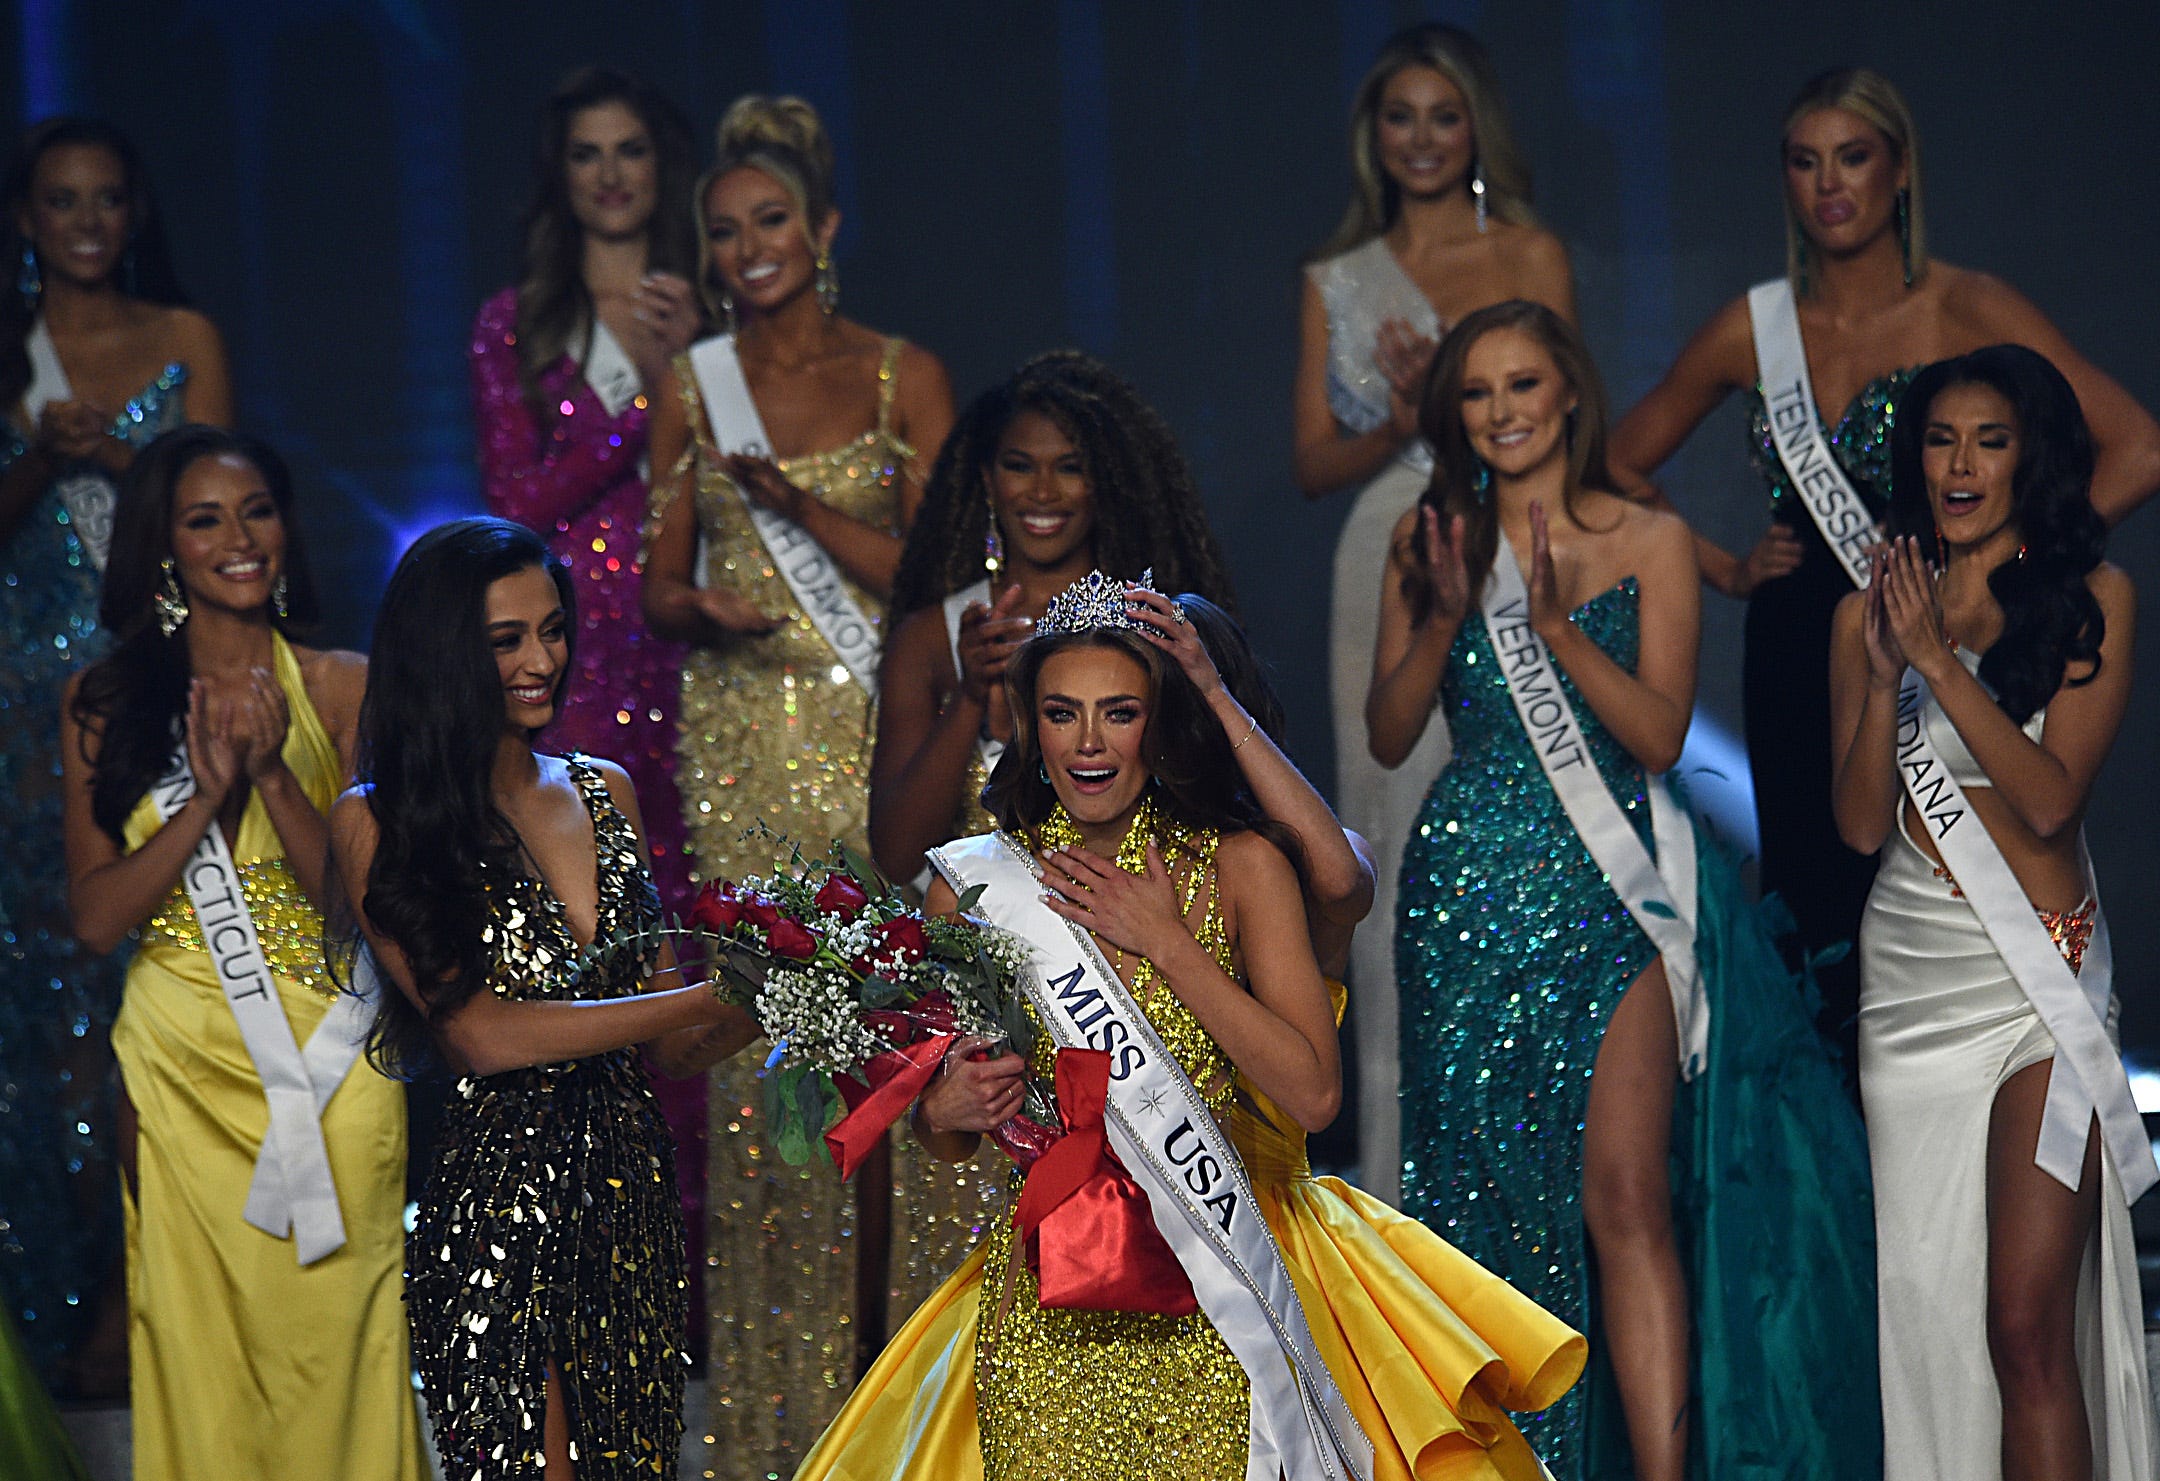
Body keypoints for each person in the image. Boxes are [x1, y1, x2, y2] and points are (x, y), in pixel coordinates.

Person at [794, 568, 1586, 1480]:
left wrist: (1171, 945)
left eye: (1119, 713)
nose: (1089, 743)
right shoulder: (973, 883)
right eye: (1061, 713)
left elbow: (1317, 1092)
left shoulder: (1242, 865)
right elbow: (948, 1130)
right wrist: (946, 1110)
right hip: (1055, 1311)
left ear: (1159, 722)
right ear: (1029, 721)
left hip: (1236, 1282)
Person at [1373, 301, 1878, 1478]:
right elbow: (1391, 732)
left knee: (1626, 1194)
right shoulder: (1432, 534)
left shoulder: (1650, 536)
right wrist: (1449, 612)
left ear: (1567, 396)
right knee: (1480, 1195)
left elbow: (1656, 736)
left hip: (1613, 894)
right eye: (1479, 391)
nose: (1501, 411)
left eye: (1523, 385)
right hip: (1465, 896)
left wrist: (1557, 629)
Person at [1609, 68, 2160, 1067]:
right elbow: (1610, 463)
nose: (1829, 184)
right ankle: (1835, 1200)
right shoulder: (1754, 324)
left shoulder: (1968, 305)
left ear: (1899, 171)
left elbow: (2139, 447)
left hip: (1943, 635)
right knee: (1818, 915)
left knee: (1931, 893)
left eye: (1853, 157)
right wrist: (1726, 568)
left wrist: (2018, 562)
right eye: (1804, 160)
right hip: (1798, 648)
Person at [640, 93, 954, 1468]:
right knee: (777, 1052)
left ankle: (923, 1388)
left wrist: (800, 510)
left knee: (912, 1039)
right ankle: (793, 1416)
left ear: (821, 229)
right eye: (724, 233)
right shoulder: (688, 387)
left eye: (771, 222)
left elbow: (944, 570)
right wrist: (697, 612)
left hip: (882, 732)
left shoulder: (902, 375)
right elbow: (656, 584)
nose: (749, 248)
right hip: (743, 738)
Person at [329, 516, 752, 1478]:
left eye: (553, 629)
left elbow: (675, 1046)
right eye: (506, 638)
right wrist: (688, 1003)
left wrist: (785, 993)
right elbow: (478, 1033)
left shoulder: (607, 790)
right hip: (497, 1213)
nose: (541, 660)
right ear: (443, 653)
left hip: (631, 1204)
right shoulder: (377, 819)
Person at [59, 426, 421, 1476]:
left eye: (256, 509)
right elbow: (92, 917)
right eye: (205, 517)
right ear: (164, 545)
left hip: (335, 1049)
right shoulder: (106, 702)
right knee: (201, 1340)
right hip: (180, 1063)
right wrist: (207, 796)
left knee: (347, 1325)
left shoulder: (346, 685)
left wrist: (269, 778)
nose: (238, 536)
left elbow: (363, 912)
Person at [1829, 346, 2156, 1480]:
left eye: (1991, 439)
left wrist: (1938, 660)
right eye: (1940, 438)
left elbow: (2053, 800)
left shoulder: (2088, 598)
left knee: (2025, 1325)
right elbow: (1864, 824)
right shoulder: (1862, 614)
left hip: (2039, 990)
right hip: (1912, 993)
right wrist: (1883, 674)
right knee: (1938, 1318)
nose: (1961, 463)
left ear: (2033, 459)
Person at [1292, 24, 1574, 1199]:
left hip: (1518, 532)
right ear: (1376, 136)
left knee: (1525, 822)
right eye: (1398, 117)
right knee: (1394, 845)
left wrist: (1458, 411)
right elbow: (1313, 459)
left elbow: (1571, 406)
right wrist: (1408, 412)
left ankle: (1536, 1134)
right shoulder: (1337, 278)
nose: (1419, 138)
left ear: (1475, 131)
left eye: (1440, 115)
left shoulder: (1530, 251)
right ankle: (1410, 1175)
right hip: (1391, 547)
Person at [469, 59, 713, 1347]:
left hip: (700, 669)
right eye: (586, 154)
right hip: (578, 671)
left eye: (631, 150)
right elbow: (520, 502)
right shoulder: (515, 324)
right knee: (603, 936)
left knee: (700, 936)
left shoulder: (712, 295)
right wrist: (643, 396)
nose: (611, 175)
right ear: (558, 181)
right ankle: (614, 1260)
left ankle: (711, 1271)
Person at [0, 116, 231, 1395]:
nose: (84, 220)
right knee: (46, 1019)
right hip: (23, 721)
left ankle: (148, 1303)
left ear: (132, 209)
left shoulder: (184, 341)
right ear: (26, 219)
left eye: (104, 198)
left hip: (152, 698)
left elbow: (229, 492)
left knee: (155, 997)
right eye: (57, 199)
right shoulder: (8, 357)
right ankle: (58, 1301)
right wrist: (45, 454)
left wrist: (126, 456)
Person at [869, 348, 1238, 886]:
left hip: (1125, 946)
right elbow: (896, 857)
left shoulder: (1154, 624)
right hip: (968, 951)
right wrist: (971, 696)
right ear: (988, 479)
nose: (1043, 491)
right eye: (1020, 466)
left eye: (1071, 468)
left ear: (1103, 484)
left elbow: (1209, 813)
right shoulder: (929, 638)